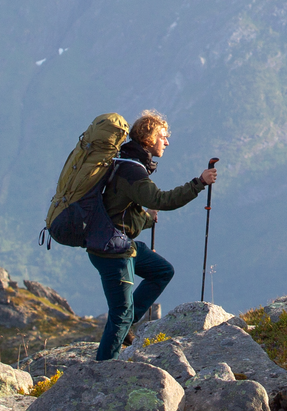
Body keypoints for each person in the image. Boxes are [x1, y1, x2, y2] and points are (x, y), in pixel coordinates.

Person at [91, 110, 216, 360]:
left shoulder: (126, 163)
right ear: (149, 139)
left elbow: (119, 210)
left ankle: (125, 326)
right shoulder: (132, 171)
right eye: (163, 136)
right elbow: (162, 199)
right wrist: (199, 183)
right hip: (112, 252)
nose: (167, 142)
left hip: (117, 243)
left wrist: (147, 218)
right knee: (120, 313)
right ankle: (102, 370)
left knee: (161, 271)